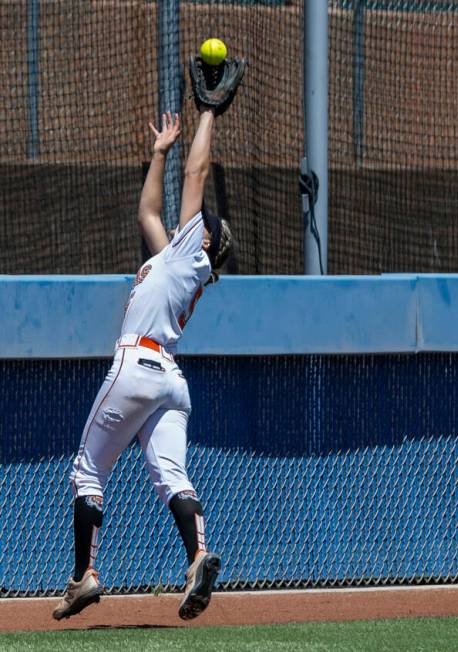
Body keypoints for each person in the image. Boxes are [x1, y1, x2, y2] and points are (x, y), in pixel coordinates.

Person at [52, 107, 235, 621]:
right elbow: (148, 216)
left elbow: (196, 174)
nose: (192, 220)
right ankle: (198, 556)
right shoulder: (177, 259)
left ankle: (83, 576)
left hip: (137, 364)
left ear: (202, 242)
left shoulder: (189, 257)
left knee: (88, 471)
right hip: (171, 381)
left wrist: (206, 113)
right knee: (172, 476)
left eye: (200, 223)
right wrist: (158, 155)